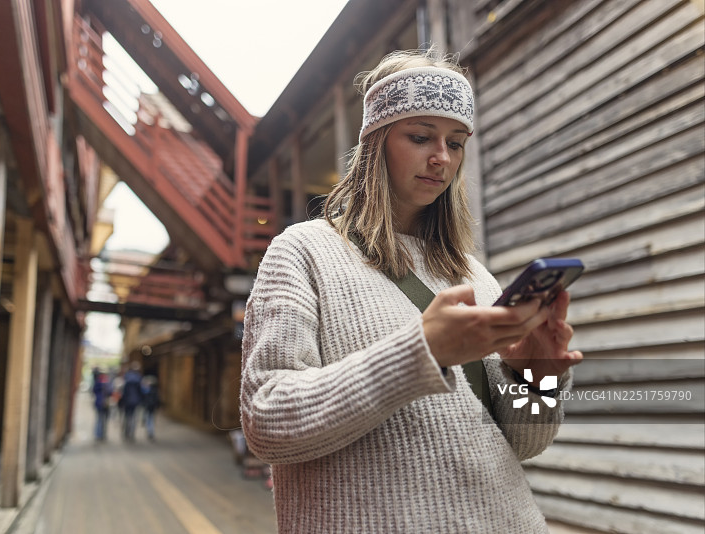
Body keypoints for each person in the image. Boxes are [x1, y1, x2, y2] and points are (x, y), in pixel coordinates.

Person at [240, 46, 584, 533]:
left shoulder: (473, 275)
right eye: (421, 137)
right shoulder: (303, 252)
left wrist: (535, 377)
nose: (442, 158)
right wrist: (420, 353)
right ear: (376, 141)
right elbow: (266, 420)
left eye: (456, 143)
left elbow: (524, 444)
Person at [120, 362, 144, 441]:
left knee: (127, 416)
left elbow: (124, 391)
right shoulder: (138, 378)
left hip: (127, 400)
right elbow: (140, 391)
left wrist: (123, 400)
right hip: (135, 401)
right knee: (133, 417)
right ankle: (132, 433)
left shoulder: (127, 378)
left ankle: (127, 431)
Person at [91, 367, 112, 441]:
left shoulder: (98, 382)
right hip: (104, 403)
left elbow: (94, 391)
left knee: (100, 419)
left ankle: (99, 434)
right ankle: (101, 434)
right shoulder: (107, 382)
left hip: (99, 402)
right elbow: (110, 392)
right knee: (103, 419)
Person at [141, 375, 160, 441]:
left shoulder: (146, 389)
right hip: (152, 406)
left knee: (148, 418)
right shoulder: (155, 390)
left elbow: (144, 397)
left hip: (148, 405)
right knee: (151, 418)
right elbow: (157, 399)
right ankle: (151, 431)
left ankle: (149, 430)